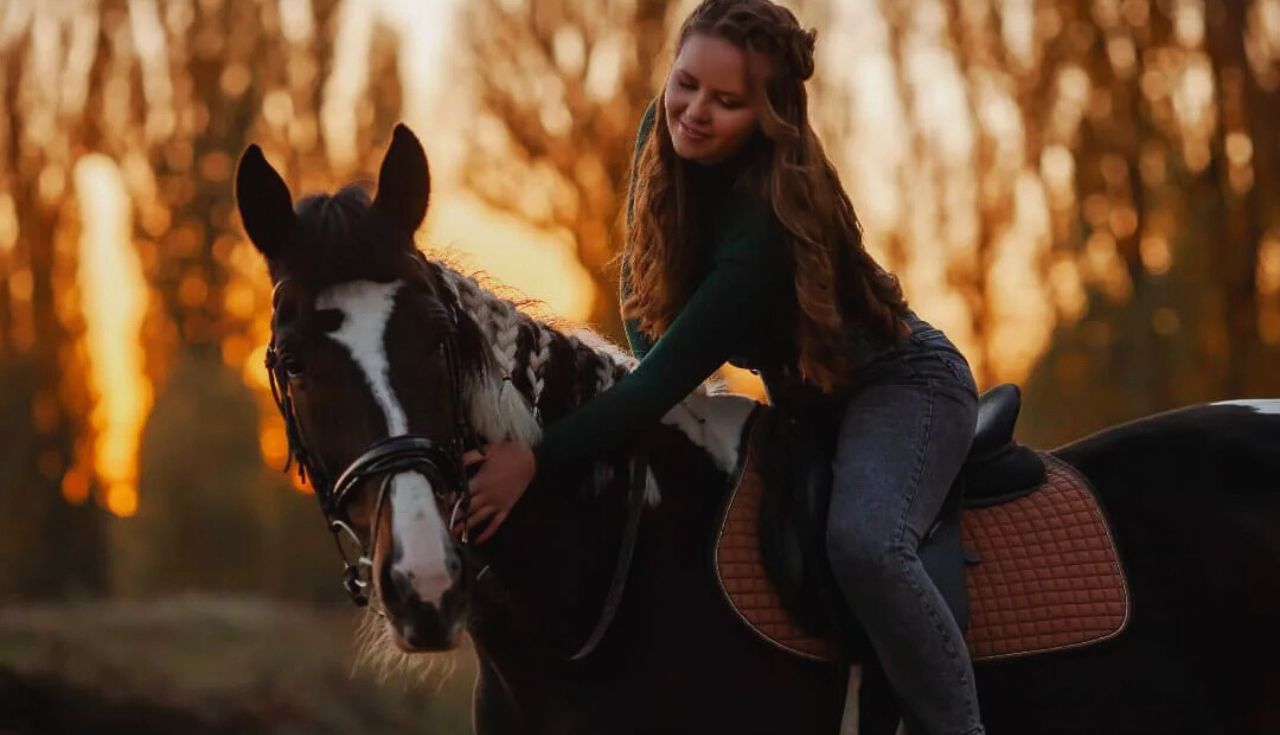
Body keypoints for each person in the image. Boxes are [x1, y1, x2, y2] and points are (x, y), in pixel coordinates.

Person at [457, 1, 983, 733]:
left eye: (727, 102)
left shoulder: (764, 227)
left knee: (865, 543)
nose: (694, 112)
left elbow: (659, 384)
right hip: (803, 405)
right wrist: (655, 383)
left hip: (901, 387)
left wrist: (536, 461)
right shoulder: (661, 131)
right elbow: (645, 295)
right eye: (686, 84)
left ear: (770, 116)